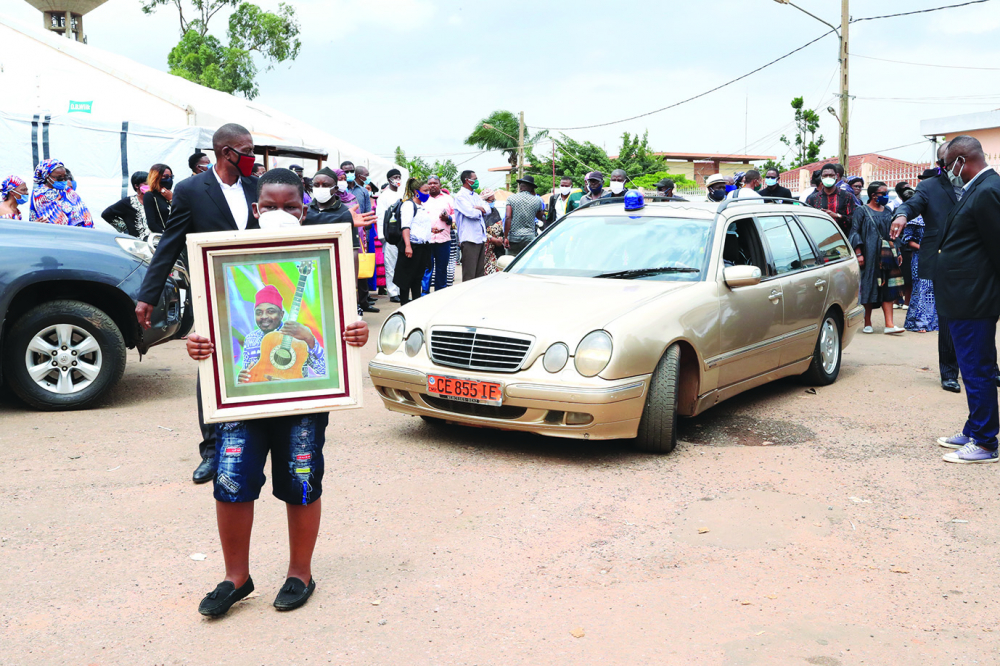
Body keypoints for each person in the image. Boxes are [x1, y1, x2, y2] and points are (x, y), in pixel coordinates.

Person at [184, 168, 371, 616]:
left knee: (302, 482)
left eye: (290, 207)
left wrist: (351, 334)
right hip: (242, 405)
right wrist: (200, 344)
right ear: (255, 208)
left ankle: (300, 572)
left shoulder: (326, 258)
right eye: (270, 206)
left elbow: (338, 334)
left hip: (304, 403)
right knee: (231, 481)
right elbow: (216, 335)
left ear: (304, 210)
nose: (280, 213)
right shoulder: (224, 258)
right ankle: (236, 576)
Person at [135, 123, 260, 485]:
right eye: (246, 149)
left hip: (259, 294)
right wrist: (148, 295)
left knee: (258, 358)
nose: (252, 156)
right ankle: (212, 450)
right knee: (211, 368)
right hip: (214, 294)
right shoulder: (191, 190)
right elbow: (170, 244)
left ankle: (254, 440)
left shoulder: (258, 186)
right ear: (227, 153)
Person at [933, 136, 1000, 464]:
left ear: (961, 161)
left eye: (947, 166)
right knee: (972, 366)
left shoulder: (988, 190)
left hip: (975, 298)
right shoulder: (978, 187)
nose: (947, 173)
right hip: (964, 297)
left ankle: (986, 443)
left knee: (977, 368)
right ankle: (975, 428)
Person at [890, 143, 969, 393]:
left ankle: (990, 369)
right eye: (946, 162)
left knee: (982, 320)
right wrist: (901, 215)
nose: (952, 167)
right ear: (941, 163)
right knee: (946, 319)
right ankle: (949, 373)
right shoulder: (929, 187)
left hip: (977, 262)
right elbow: (910, 205)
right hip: (944, 261)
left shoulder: (980, 183)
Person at [237, 285, 327, 383]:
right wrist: (242, 378)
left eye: (270, 312)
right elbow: (247, 375)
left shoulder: (299, 334)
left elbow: (324, 370)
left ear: (281, 315)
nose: (263, 316)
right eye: (258, 313)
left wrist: (310, 339)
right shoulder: (250, 339)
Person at [850, 181, 904, 335]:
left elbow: (893, 232)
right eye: (883, 193)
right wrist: (859, 254)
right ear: (874, 195)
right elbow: (855, 233)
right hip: (869, 254)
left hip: (887, 255)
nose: (886, 196)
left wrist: (898, 251)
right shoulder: (861, 211)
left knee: (889, 286)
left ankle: (889, 324)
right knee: (869, 285)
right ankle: (867, 322)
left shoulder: (887, 211)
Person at [901, 174, 938, 334]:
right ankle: (918, 323)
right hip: (920, 257)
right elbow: (906, 240)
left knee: (933, 289)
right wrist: (923, 247)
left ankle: (932, 323)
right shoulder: (915, 217)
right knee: (922, 288)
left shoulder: (936, 214)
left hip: (936, 256)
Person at [341, 162, 378, 313]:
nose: (349, 173)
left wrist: (367, 235)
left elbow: (368, 213)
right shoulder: (338, 192)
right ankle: (349, 303)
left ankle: (364, 301)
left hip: (360, 233)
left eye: (351, 171)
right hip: (342, 232)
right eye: (346, 171)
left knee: (361, 267)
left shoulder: (362, 191)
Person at [392, 178, 433, 305]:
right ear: (416, 192)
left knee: (417, 278)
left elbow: (418, 225)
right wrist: (408, 246)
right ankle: (404, 304)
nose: (427, 193)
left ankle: (416, 303)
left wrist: (432, 229)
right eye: (425, 191)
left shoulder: (421, 206)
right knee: (405, 280)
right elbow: (406, 226)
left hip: (422, 247)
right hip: (411, 247)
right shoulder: (409, 205)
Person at [29, 159, 93, 227]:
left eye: (65, 177)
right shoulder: (38, 194)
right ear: (47, 176)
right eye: (59, 178)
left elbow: (83, 211)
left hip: (77, 234)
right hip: (53, 234)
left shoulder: (69, 191)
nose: (63, 180)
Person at [453, 171, 490, 281]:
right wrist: (479, 209)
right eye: (475, 179)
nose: (477, 181)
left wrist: (477, 207)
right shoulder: (460, 196)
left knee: (479, 274)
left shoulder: (476, 196)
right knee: (469, 274)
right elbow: (471, 213)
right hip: (469, 238)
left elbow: (488, 209)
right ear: (467, 180)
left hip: (480, 238)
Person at [423, 175, 455, 292]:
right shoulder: (423, 199)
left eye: (435, 183)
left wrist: (448, 218)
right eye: (430, 183)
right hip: (427, 240)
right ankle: (424, 293)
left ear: (440, 185)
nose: (432, 185)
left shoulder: (448, 199)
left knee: (442, 269)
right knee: (427, 268)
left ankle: (440, 292)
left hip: (443, 240)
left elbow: (456, 215)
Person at [806, 163, 856, 234]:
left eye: (831, 175)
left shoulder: (847, 196)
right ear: (821, 178)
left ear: (836, 176)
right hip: (819, 239)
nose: (828, 178)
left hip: (842, 239)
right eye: (825, 176)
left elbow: (854, 220)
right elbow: (807, 221)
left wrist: (838, 216)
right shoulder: (812, 199)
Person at [101, 171, 150, 239]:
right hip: (137, 242)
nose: (149, 186)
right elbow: (106, 214)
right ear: (136, 186)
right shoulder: (128, 202)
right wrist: (124, 227)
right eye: (146, 184)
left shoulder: (155, 200)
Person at [504, 174, 545, 256]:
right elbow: (540, 217)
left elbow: (508, 217)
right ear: (532, 188)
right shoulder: (537, 200)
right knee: (527, 261)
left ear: (520, 187)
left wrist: (505, 237)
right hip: (529, 237)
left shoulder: (511, 199)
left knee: (511, 261)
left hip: (513, 237)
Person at [379, 169, 403, 303]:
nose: (398, 179)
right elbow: (381, 216)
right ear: (389, 180)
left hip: (402, 234)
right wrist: (384, 237)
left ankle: (401, 290)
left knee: (401, 264)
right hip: (390, 235)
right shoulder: (384, 196)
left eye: (399, 177)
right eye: (395, 177)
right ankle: (393, 292)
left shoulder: (402, 194)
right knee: (391, 265)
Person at [142, 163, 174, 234]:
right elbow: (151, 223)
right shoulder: (150, 195)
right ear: (156, 177)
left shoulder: (171, 194)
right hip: (163, 237)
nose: (169, 180)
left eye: (171, 177)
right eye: (165, 176)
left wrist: (171, 199)